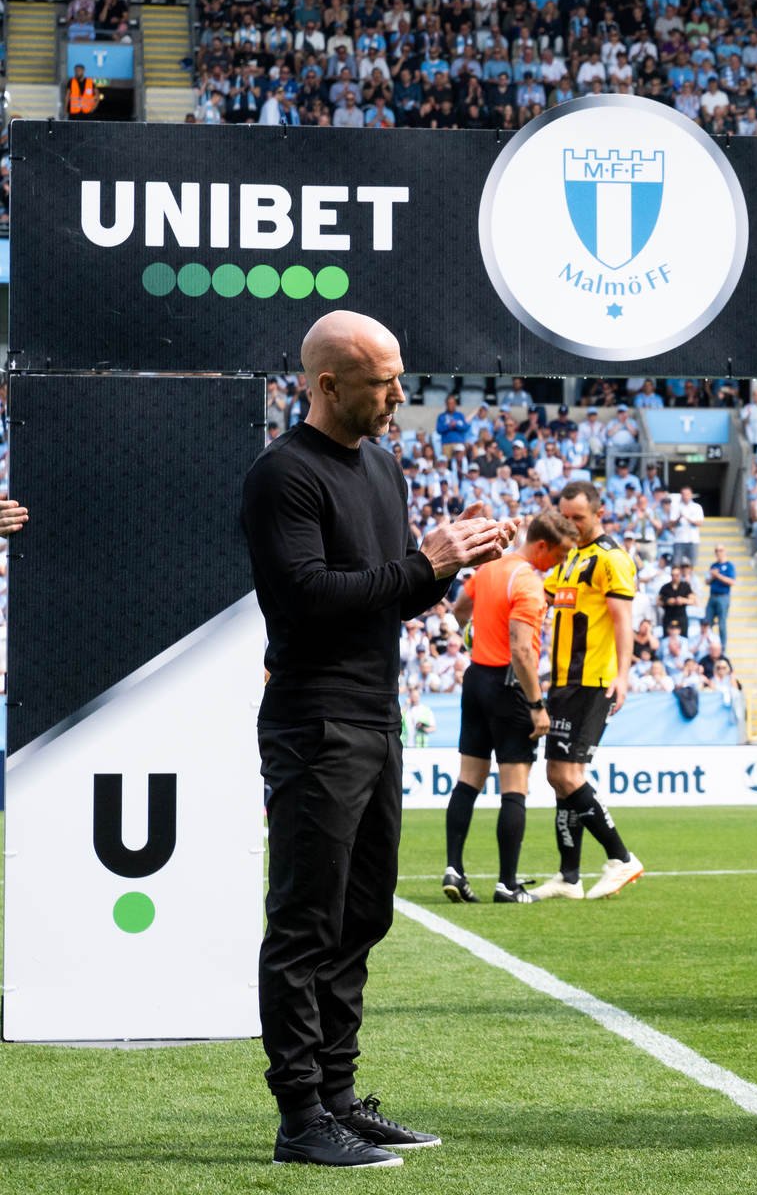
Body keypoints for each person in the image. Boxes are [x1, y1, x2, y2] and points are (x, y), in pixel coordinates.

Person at [242, 310, 512, 1167]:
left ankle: (337, 1097)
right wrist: (424, 564)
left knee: (361, 914)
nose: (399, 394)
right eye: (382, 381)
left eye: (399, 376)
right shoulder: (283, 474)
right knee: (305, 919)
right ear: (328, 385)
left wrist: (447, 567)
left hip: (373, 715)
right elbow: (310, 595)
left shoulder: (385, 467)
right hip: (315, 721)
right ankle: (299, 1119)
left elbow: (388, 593)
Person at [444, 509, 577, 905]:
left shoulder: (491, 569)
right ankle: (507, 884)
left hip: (477, 678)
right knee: (515, 786)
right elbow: (521, 651)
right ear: (541, 546)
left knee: (469, 778)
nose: (560, 563)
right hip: (509, 687)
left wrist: (476, 641)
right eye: (559, 554)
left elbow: (459, 612)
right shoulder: (529, 584)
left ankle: (454, 868)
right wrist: (537, 705)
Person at [528, 480, 647, 901]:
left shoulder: (611, 559)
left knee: (567, 774)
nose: (571, 524)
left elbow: (621, 619)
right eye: (565, 517)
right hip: (561, 681)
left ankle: (621, 857)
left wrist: (623, 674)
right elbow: (539, 603)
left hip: (592, 679)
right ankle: (569, 876)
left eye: (578, 517)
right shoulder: (567, 559)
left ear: (598, 512)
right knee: (556, 777)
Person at [705, 542, 737, 650]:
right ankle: (708, 645)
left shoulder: (729, 566)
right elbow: (707, 581)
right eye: (716, 551)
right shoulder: (713, 566)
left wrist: (717, 575)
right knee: (707, 622)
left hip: (723, 596)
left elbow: (731, 581)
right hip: (713, 596)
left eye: (721, 550)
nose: (719, 553)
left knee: (722, 624)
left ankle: (722, 648)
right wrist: (713, 576)